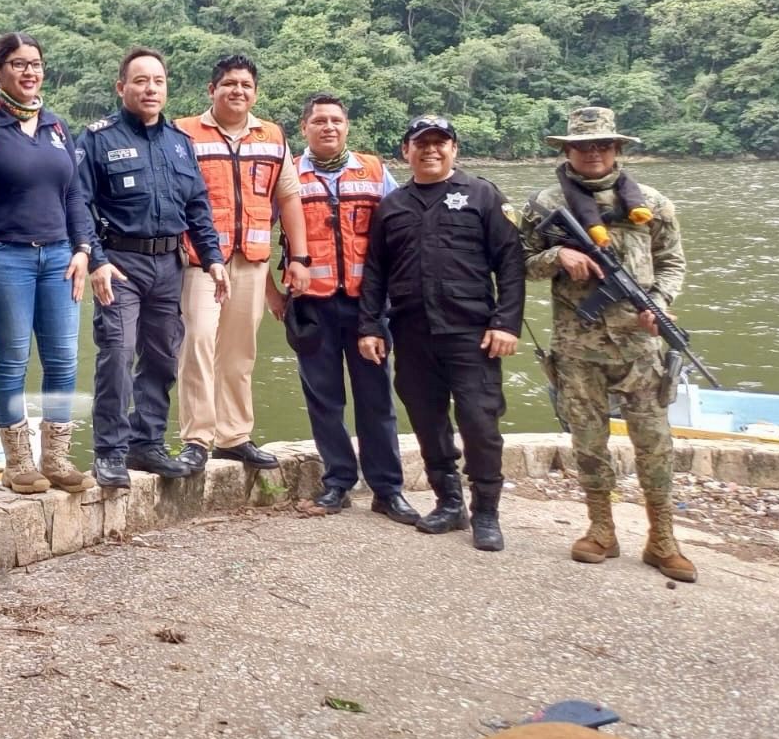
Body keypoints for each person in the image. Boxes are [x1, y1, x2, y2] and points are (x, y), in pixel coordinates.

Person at [519, 107, 694, 581]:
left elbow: (672, 262)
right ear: (567, 150)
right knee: (589, 442)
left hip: (640, 348)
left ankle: (662, 539)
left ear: (617, 149)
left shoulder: (652, 203)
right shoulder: (545, 203)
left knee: (654, 443)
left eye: (601, 145)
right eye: (582, 146)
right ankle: (601, 529)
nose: (592, 153)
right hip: (577, 349)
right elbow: (519, 263)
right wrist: (560, 255)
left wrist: (658, 303)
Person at [357, 115, 524, 552]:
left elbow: (510, 262)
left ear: (454, 149)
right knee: (428, 423)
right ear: (405, 152)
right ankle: (448, 502)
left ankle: (485, 510)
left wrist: (506, 322)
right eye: (421, 143)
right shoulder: (392, 206)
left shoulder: (482, 195)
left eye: (440, 142)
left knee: (479, 422)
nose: (431, 150)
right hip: (412, 333)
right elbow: (374, 271)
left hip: (472, 333)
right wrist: (370, 325)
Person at [77, 48, 228, 487]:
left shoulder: (180, 144)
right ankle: (109, 450)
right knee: (117, 353)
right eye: (140, 81)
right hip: (119, 264)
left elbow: (198, 207)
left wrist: (213, 258)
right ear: (121, 87)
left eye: (158, 81)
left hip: (168, 264)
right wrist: (96, 261)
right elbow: (79, 206)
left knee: (162, 356)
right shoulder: (97, 139)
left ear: (166, 87)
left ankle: (148, 442)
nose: (150, 89)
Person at [267, 93, 417, 523]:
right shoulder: (289, 173)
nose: (328, 127)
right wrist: (272, 295)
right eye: (319, 121)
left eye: (335, 120)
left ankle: (388, 489)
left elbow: (401, 231)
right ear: (304, 129)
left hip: (368, 307)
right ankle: (337, 482)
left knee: (376, 398)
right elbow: (256, 233)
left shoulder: (372, 171)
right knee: (324, 399)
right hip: (311, 307)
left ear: (347, 126)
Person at [174, 55, 309, 473]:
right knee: (197, 341)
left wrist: (299, 258)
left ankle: (233, 436)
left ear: (255, 92)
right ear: (211, 90)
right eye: (229, 83)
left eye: (246, 85)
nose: (238, 91)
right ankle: (197, 437)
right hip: (199, 259)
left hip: (250, 260)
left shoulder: (272, 137)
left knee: (238, 351)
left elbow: (288, 198)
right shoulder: (183, 132)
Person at [0, 32, 95, 495]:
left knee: (64, 361)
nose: (30, 72)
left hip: (60, 256)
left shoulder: (56, 127)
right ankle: (20, 462)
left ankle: (58, 458)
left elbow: (74, 195)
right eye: (19, 64)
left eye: (36, 64)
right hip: (4, 256)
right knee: (13, 360)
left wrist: (83, 248)